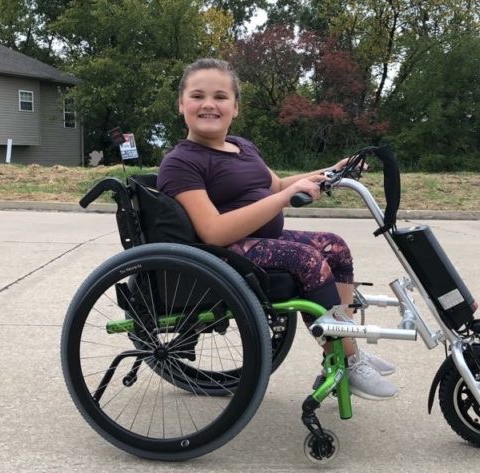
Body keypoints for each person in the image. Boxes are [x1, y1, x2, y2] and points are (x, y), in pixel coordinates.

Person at [157, 58, 397, 400]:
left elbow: (277, 184)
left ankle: (346, 348)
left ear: (235, 107)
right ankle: (347, 359)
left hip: (257, 242)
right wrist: (285, 198)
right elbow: (213, 231)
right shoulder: (182, 162)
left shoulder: (242, 147)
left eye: (220, 97)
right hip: (222, 252)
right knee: (305, 259)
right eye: (198, 95)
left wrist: (331, 171)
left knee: (335, 246)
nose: (209, 104)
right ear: (182, 104)